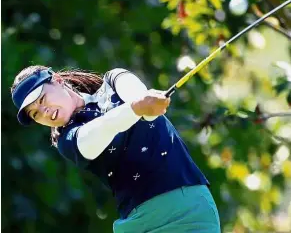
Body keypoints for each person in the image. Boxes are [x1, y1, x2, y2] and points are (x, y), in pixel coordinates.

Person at [11, 65, 221, 233]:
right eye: (35, 114)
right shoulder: (66, 140)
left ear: (57, 80)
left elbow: (144, 106)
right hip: (137, 224)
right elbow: (99, 132)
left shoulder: (114, 79)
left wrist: (145, 105)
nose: (44, 112)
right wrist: (137, 108)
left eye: (42, 99)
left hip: (189, 210)